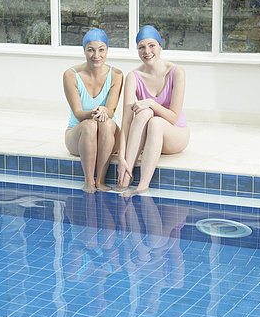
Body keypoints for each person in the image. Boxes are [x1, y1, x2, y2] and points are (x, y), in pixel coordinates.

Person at [117, 25, 189, 196]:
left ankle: (142, 185)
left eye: (151, 45)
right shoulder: (133, 76)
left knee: (155, 120)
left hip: (175, 134)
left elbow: (173, 117)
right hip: (150, 138)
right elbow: (126, 120)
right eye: (141, 47)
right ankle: (125, 178)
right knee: (144, 114)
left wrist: (151, 103)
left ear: (160, 47)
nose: (146, 51)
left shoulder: (176, 72)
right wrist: (121, 156)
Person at [63, 28, 123, 193]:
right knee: (90, 125)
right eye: (91, 50)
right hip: (79, 134)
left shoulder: (116, 75)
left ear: (107, 50)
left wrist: (103, 110)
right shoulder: (71, 75)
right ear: (84, 50)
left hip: (107, 134)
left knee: (107, 124)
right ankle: (89, 181)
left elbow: (110, 110)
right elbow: (77, 113)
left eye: (101, 49)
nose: (96, 55)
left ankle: (100, 180)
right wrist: (93, 113)